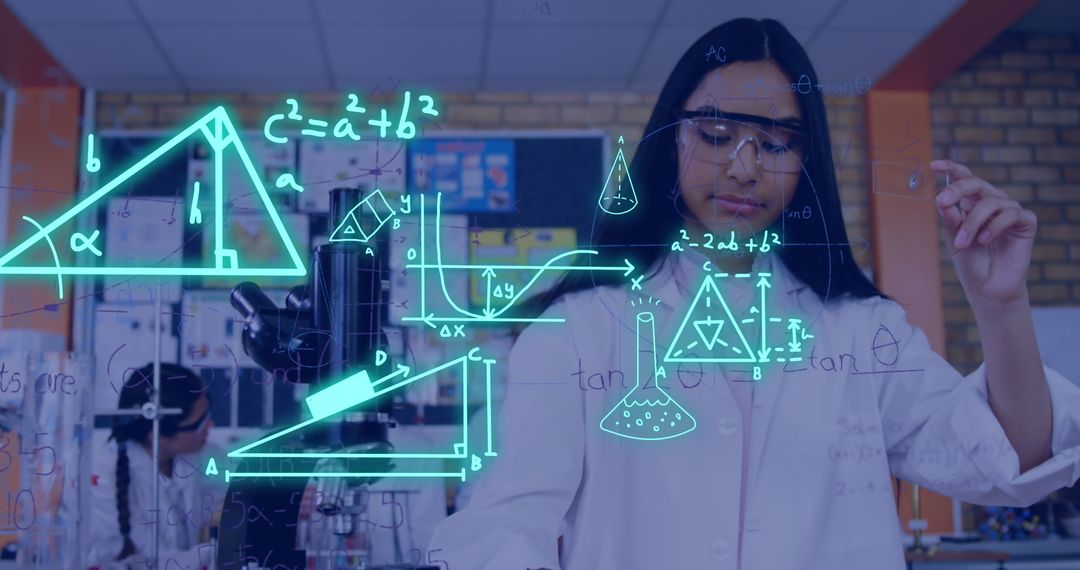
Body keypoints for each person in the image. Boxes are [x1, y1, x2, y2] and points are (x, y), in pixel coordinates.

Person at [428, 18, 1080, 569]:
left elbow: (1009, 462)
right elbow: (504, 521)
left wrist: (1001, 305)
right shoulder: (579, 328)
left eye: (776, 144)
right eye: (715, 136)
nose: (744, 168)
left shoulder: (860, 330)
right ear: (671, 138)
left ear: (806, 162)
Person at [89, 363, 220, 569]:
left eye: (208, 414)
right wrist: (211, 553)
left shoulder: (202, 456)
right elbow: (148, 561)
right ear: (157, 435)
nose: (210, 425)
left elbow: (224, 507)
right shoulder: (103, 473)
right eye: (199, 422)